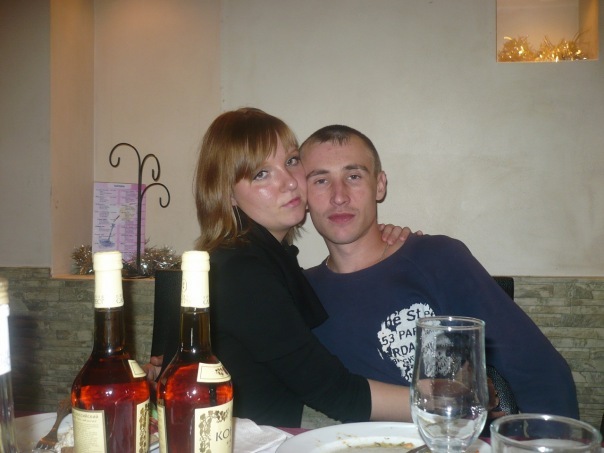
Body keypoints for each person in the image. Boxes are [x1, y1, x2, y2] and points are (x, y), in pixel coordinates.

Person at [147, 107, 416, 428]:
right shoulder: (241, 270)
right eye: (261, 174)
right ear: (227, 194)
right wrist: (443, 400)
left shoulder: (267, 259)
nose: (289, 182)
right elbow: (336, 393)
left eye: (291, 161)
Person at [299, 124, 580, 421]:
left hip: (457, 441)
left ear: (379, 185)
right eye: (321, 180)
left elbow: (538, 370)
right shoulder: (300, 292)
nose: (339, 196)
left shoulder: (437, 258)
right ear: (303, 194)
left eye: (354, 176)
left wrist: (551, 439)